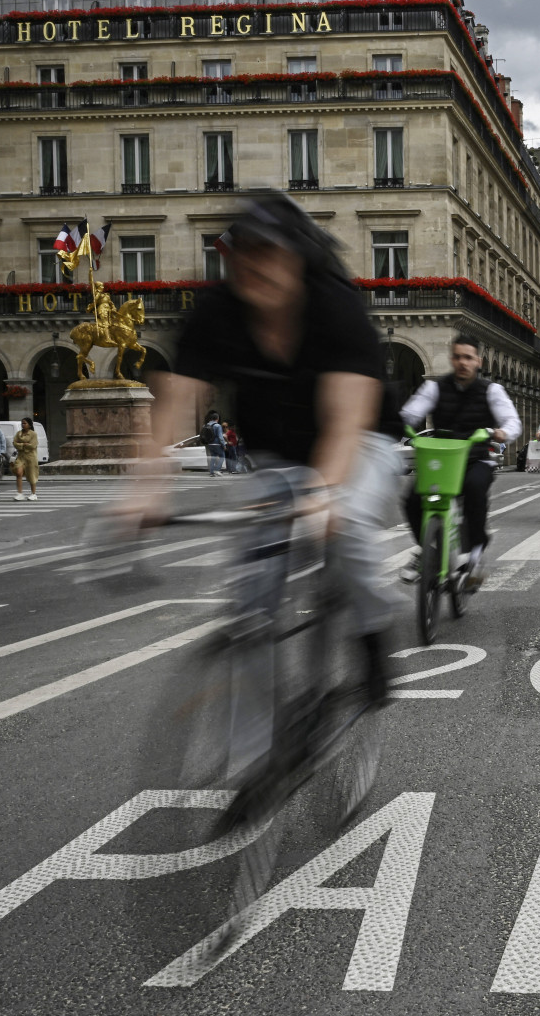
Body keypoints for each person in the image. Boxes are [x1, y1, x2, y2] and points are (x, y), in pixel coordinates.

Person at [128, 190, 397, 701]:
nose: (255, 266)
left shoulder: (335, 306)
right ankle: (258, 764)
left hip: (361, 441)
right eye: (244, 252)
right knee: (252, 596)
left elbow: (345, 421)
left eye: (270, 252)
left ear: (299, 258)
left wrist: (323, 494)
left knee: (349, 524)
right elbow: (175, 402)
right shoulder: (217, 311)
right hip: (277, 452)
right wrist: (144, 490)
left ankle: (372, 631)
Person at [402, 334, 521, 584]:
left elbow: (512, 422)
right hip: (442, 461)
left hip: (476, 458)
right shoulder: (435, 387)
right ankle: (427, 552)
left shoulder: (492, 390)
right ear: (451, 359)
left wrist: (502, 432)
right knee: (413, 499)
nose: (462, 363)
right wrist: (399, 423)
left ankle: (475, 555)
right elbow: (411, 412)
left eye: (468, 358)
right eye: (457, 357)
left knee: (475, 490)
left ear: (478, 361)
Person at [11, 417, 40, 501]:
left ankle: (33, 493)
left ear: (29, 425)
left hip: (31, 457)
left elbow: (33, 445)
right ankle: (20, 493)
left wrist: (22, 445)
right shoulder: (18, 433)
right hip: (20, 456)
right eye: (22, 423)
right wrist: (24, 444)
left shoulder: (33, 434)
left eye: (25, 423)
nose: (23, 425)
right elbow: (15, 443)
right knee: (18, 472)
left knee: (32, 475)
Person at [201, 410, 226, 477]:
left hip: (210, 444)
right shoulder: (218, 426)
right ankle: (217, 470)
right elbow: (220, 437)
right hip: (217, 444)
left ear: (211, 418)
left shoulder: (206, 425)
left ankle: (212, 472)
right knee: (222, 456)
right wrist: (223, 445)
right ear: (217, 419)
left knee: (213, 458)